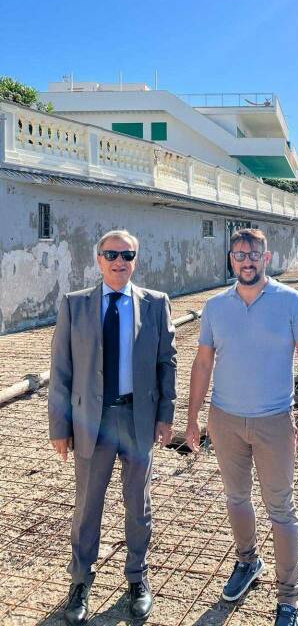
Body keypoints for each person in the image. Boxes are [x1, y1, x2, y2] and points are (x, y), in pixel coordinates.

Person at [186, 229, 298, 626]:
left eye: (254, 254)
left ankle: (288, 599)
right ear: (231, 259)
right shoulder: (214, 306)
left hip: (274, 422)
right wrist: (193, 417)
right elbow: (203, 363)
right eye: (240, 254)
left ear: (267, 257)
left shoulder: (291, 302)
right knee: (236, 498)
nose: (247, 261)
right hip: (225, 420)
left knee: (281, 510)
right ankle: (247, 561)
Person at [49, 230, 177, 624]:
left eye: (127, 254)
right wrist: (59, 426)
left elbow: (166, 362)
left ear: (135, 259)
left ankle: (137, 578)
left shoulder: (156, 304)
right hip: (93, 422)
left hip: (137, 419)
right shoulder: (76, 305)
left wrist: (165, 415)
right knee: (88, 504)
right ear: (98, 258)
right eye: (111, 254)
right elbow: (61, 368)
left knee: (137, 503)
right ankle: (80, 582)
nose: (119, 261)